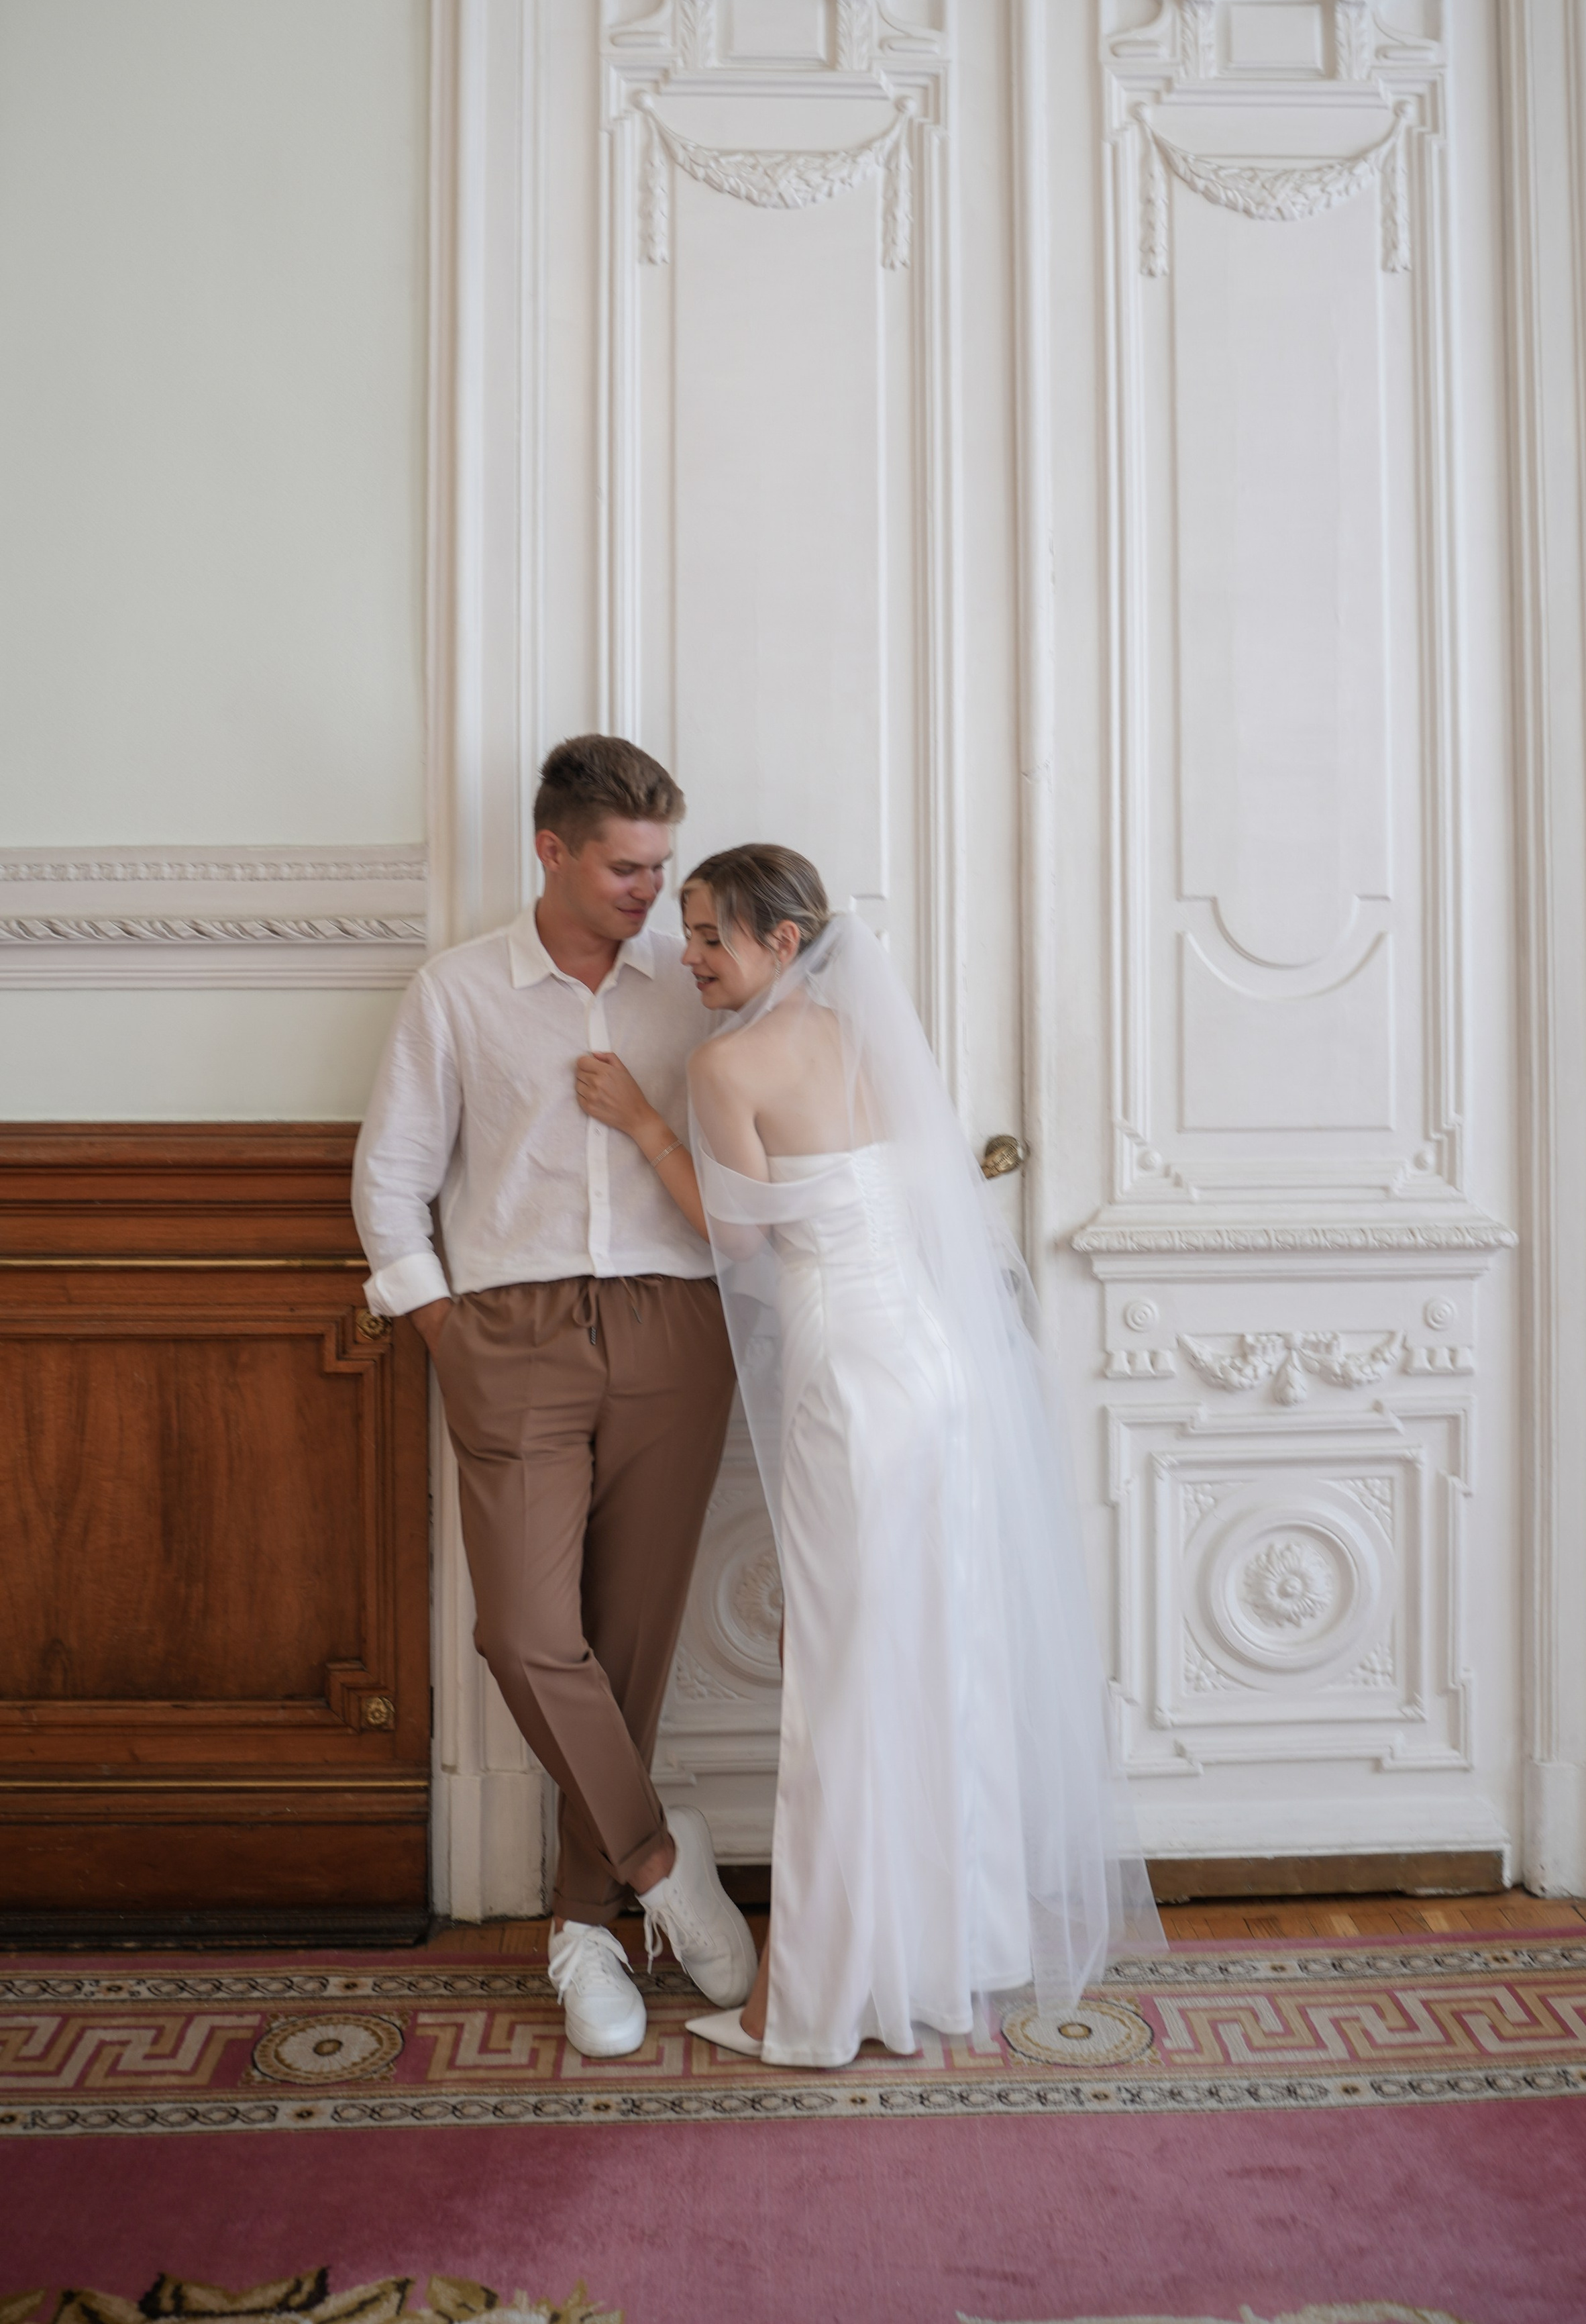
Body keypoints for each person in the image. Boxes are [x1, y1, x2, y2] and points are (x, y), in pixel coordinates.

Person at [577, 842, 1160, 2068]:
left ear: (783, 940)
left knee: (840, 1682)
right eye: (685, 934)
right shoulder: (861, 1040)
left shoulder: (724, 1061)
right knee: (928, 1662)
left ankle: (816, 1988)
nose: (689, 958)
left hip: (850, 1380)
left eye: (710, 937)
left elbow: (733, 1232)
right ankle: (938, 1952)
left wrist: (639, 1121)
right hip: (938, 1376)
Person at [352, 736, 757, 2058]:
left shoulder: (695, 987)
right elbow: (390, 1176)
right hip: (507, 1330)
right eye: (627, 866)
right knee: (526, 1631)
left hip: (672, 1323)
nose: (655, 889)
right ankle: (657, 1864)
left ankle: (583, 1931)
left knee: (626, 1638)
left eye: (663, 864)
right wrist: (444, 1332)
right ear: (552, 849)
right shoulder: (457, 988)